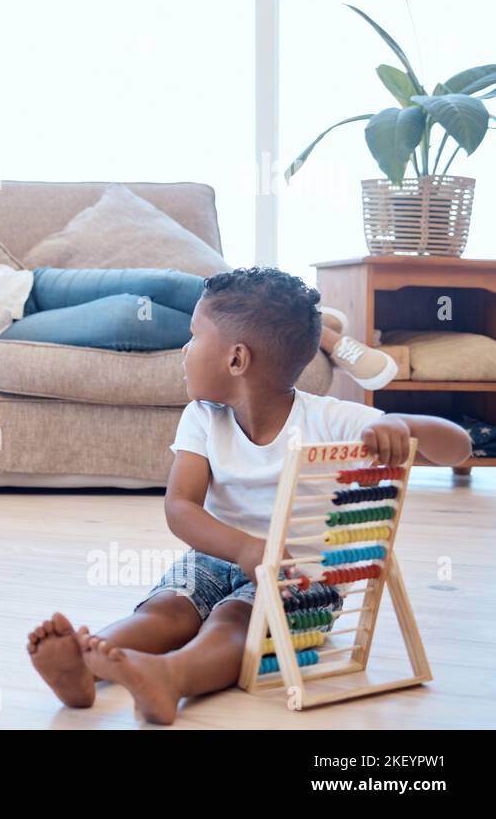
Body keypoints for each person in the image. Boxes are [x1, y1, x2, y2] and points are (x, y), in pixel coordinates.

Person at [23, 267, 470, 724]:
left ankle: (171, 677)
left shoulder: (329, 419)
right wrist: (243, 549)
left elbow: (459, 448)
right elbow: (181, 507)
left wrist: (402, 426)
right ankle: (83, 662)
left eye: (194, 336)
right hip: (216, 558)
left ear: (236, 360)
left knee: (234, 623)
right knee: (168, 610)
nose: (184, 348)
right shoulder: (202, 416)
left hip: (300, 576)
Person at [0, 155, 399, 386]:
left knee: (169, 284)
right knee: (131, 317)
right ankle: (309, 331)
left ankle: (315, 324)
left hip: (28, 287)